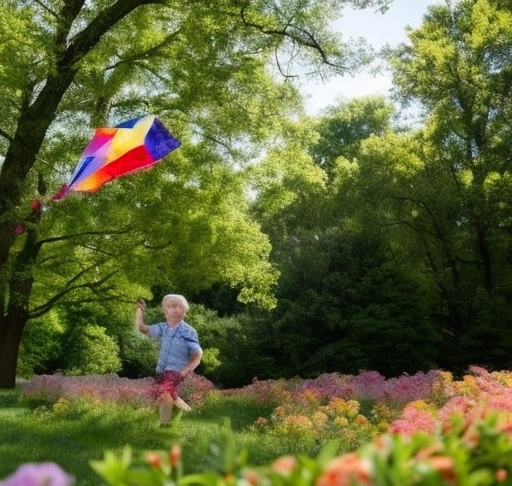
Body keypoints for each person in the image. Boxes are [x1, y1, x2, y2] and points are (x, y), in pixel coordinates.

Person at [135, 294, 202, 426]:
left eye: (179, 306)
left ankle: (164, 424)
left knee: (165, 393)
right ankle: (193, 413)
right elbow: (141, 328)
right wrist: (140, 309)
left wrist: (185, 371)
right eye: (171, 306)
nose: (175, 309)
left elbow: (198, 354)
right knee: (170, 395)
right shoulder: (162, 328)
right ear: (164, 311)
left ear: (185, 311)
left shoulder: (187, 331)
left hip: (177, 370)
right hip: (161, 369)